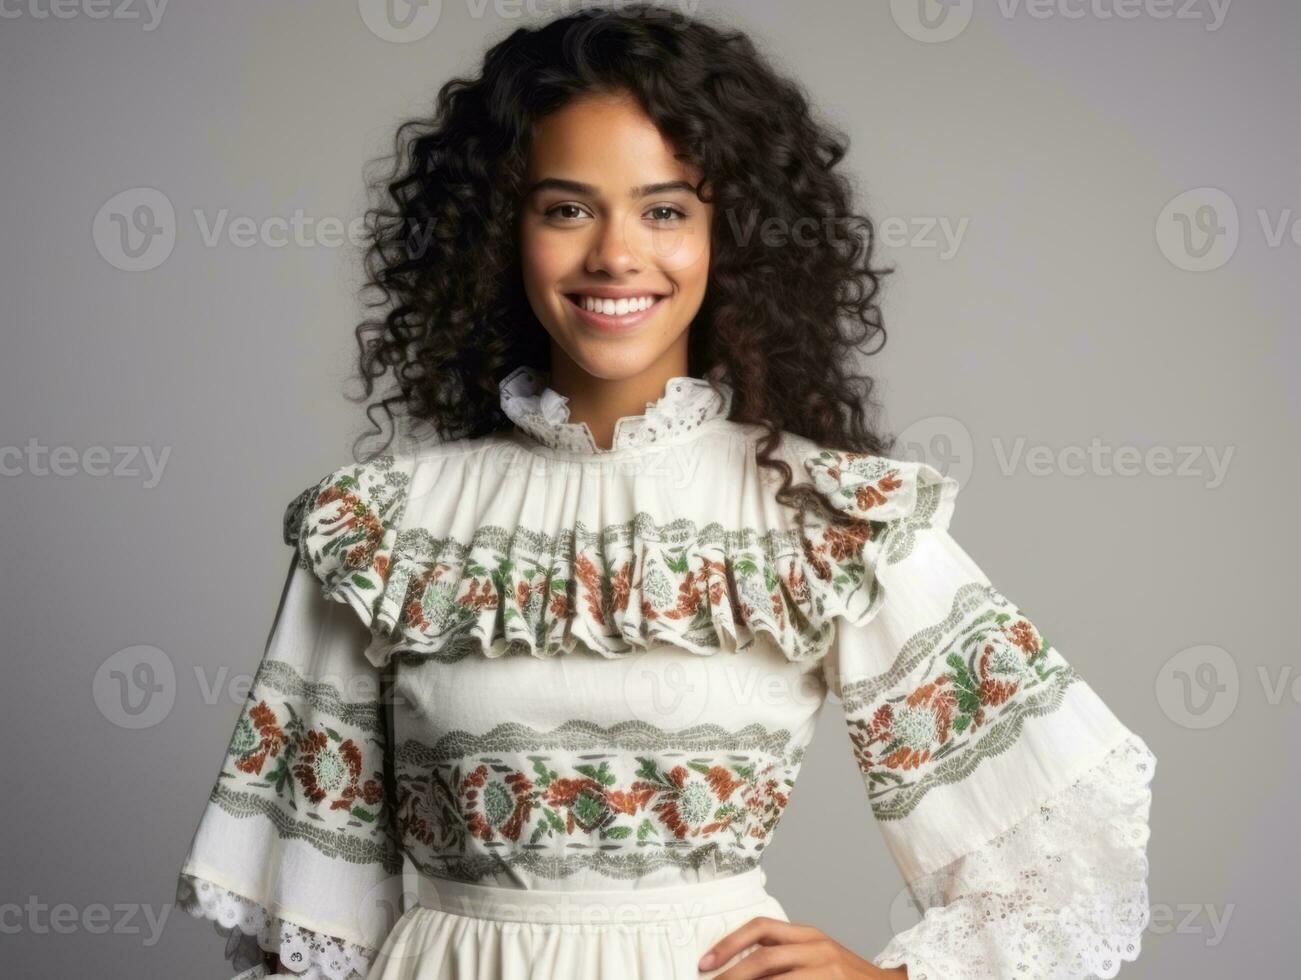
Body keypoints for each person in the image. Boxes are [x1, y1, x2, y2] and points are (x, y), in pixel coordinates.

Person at [174, 6, 1157, 978]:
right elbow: (310, 926)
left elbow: (1062, 853)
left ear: (729, 236)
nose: (613, 253)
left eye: (664, 209)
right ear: (497, 232)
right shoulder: (381, 530)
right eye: (565, 207)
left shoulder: (823, 517)